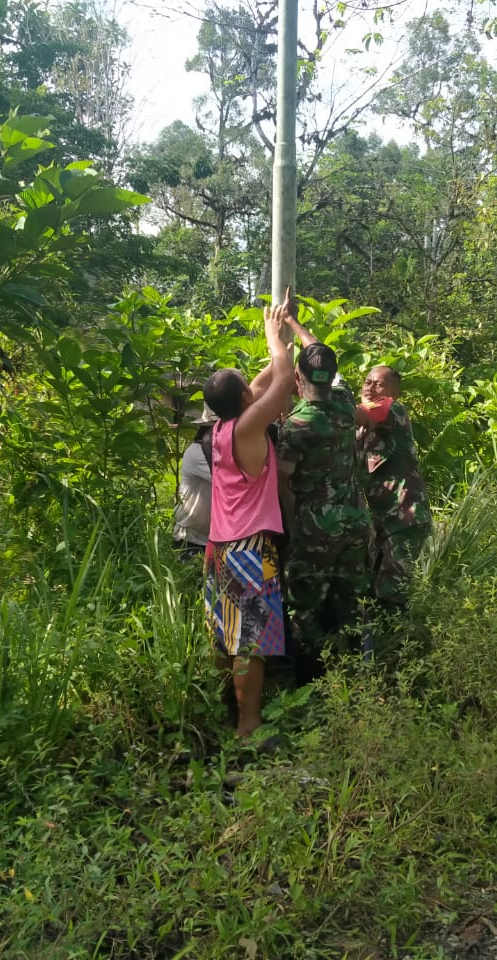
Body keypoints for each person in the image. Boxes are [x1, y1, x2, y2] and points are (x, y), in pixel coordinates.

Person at [202, 293, 295, 739]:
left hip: (220, 546)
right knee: (249, 642)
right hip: (249, 549)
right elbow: (279, 381)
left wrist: (282, 334)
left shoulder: (222, 427)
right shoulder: (251, 427)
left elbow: (263, 383)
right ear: (243, 398)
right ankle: (248, 724)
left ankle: (225, 711)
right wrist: (271, 335)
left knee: (225, 636)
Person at [276, 314, 372, 683]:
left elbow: (284, 483)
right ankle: (352, 678)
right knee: (350, 602)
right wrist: (297, 325)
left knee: (306, 607)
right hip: (353, 523)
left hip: (313, 530)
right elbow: (321, 360)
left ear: (297, 379)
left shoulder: (296, 427)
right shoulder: (347, 407)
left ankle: (313, 683)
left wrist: (288, 530)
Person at [355, 365, 433, 610]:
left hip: (404, 519)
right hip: (382, 522)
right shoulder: (360, 430)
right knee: (374, 590)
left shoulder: (393, 411)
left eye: (378, 384)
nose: (370, 387)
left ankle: (403, 647)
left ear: (394, 393)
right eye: (367, 382)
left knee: (393, 594)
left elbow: (340, 413)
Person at [172, 405, 216, 561]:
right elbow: (231, 479)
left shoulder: (215, 452)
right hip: (192, 539)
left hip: (211, 538)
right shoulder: (197, 453)